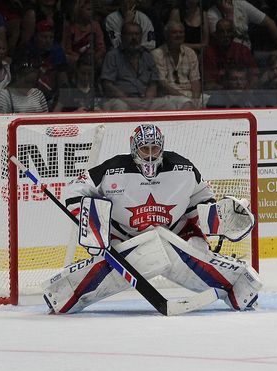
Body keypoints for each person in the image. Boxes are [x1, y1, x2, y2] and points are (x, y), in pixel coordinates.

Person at [42, 124, 262, 314]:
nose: (149, 155)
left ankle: (237, 286)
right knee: (128, 255)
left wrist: (218, 216)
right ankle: (65, 292)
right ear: (133, 147)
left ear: (162, 147)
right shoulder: (112, 169)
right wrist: (91, 222)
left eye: (154, 148)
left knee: (193, 249)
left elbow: (202, 199)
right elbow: (74, 190)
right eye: (144, 148)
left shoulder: (183, 167)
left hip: (175, 233)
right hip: (124, 237)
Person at [100, 21, 169, 111]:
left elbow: (153, 83)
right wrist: (129, 100)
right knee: (120, 106)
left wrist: (147, 101)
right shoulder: (112, 55)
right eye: (130, 34)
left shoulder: (147, 56)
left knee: (168, 105)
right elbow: (107, 84)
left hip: (145, 100)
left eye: (137, 34)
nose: (134, 38)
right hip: (120, 100)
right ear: (122, 37)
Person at [151, 20, 203, 109]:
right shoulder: (157, 54)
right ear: (166, 35)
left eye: (181, 32)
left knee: (211, 100)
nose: (178, 35)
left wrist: (195, 99)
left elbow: (195, 80)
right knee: (186, 103)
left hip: (190, 94)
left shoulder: (190, 53)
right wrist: (185, 98)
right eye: (174, 32)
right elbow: (162, 84)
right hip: (169, 96)